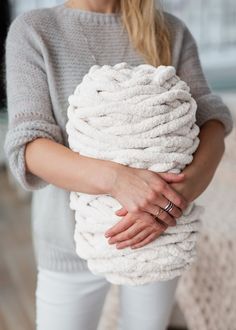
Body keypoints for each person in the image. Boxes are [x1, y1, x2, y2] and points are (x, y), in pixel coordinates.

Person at [4, 0, 233, 329]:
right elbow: (30, 146)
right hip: (68, 242)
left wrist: (177, 197)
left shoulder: (169, 31)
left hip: (158, 232)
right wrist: (117, 180)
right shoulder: (36, 30)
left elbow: (212, 123)